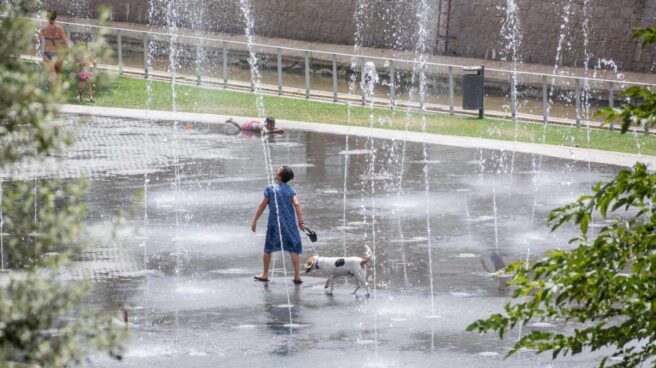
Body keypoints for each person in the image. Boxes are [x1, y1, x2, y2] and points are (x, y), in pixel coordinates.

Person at [251, 166, 304, 284]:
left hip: (274, 223)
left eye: (278, 170)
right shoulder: (291, 190)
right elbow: (297, 205)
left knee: (268, 248)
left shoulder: (270, 189)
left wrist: (255, 220)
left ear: (280, 175)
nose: (276, 171)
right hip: (289, 223)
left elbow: (262, 206)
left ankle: (265, 274)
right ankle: (297, 276)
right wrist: (301, 222)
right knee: (293, 248)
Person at [38, 10, 68, 79]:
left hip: (47, 54)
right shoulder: (60, 29)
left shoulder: (44, 28)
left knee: (53, 74)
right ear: (55, 17)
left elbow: (37, 40)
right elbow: (66, 42)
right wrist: (67, 51)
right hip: (57, 54)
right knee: (58, 75)